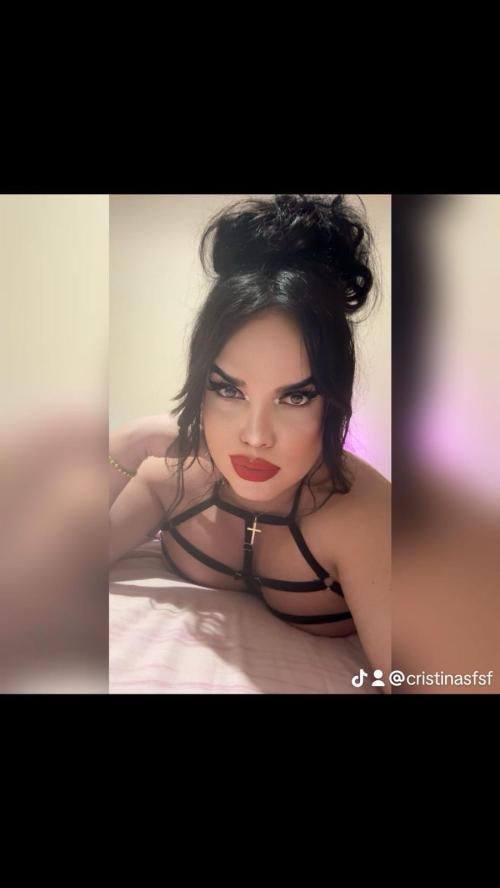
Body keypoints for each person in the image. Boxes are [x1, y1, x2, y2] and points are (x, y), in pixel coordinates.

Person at [109, 194, 390, 676]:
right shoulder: (169, 481)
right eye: (228, 390)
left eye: (296, 396)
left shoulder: (363, 517)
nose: (256, 437)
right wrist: (133, 440)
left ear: (333, 399)